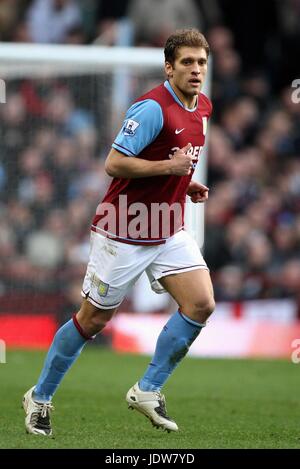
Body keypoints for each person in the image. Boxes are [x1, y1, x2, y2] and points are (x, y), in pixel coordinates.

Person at [23, 28, 215, 436]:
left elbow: (174, 161)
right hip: (124, 229)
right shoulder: (150, 109)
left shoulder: (203, 107)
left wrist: (185, 184)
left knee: (200, 303)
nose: (196, 69)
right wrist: (170, 170)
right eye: (187, 62)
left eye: (201, 62)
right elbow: (114, 163)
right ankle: (39, 397)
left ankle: (148, 389)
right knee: (91, 321)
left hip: (166, 226)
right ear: (169, 67)